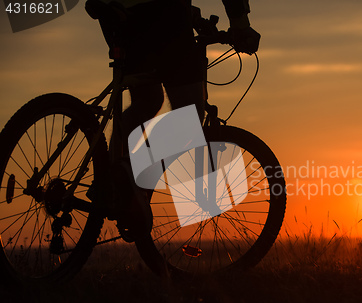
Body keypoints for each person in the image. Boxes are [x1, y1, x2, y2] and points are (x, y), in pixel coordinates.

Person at [85, 0, 260, 241]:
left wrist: (192, 16)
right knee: (190, 114)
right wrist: (240, 25)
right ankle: (129, 172)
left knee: (147, 100)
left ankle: (113, 181)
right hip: (162, 14)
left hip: (117, 18)